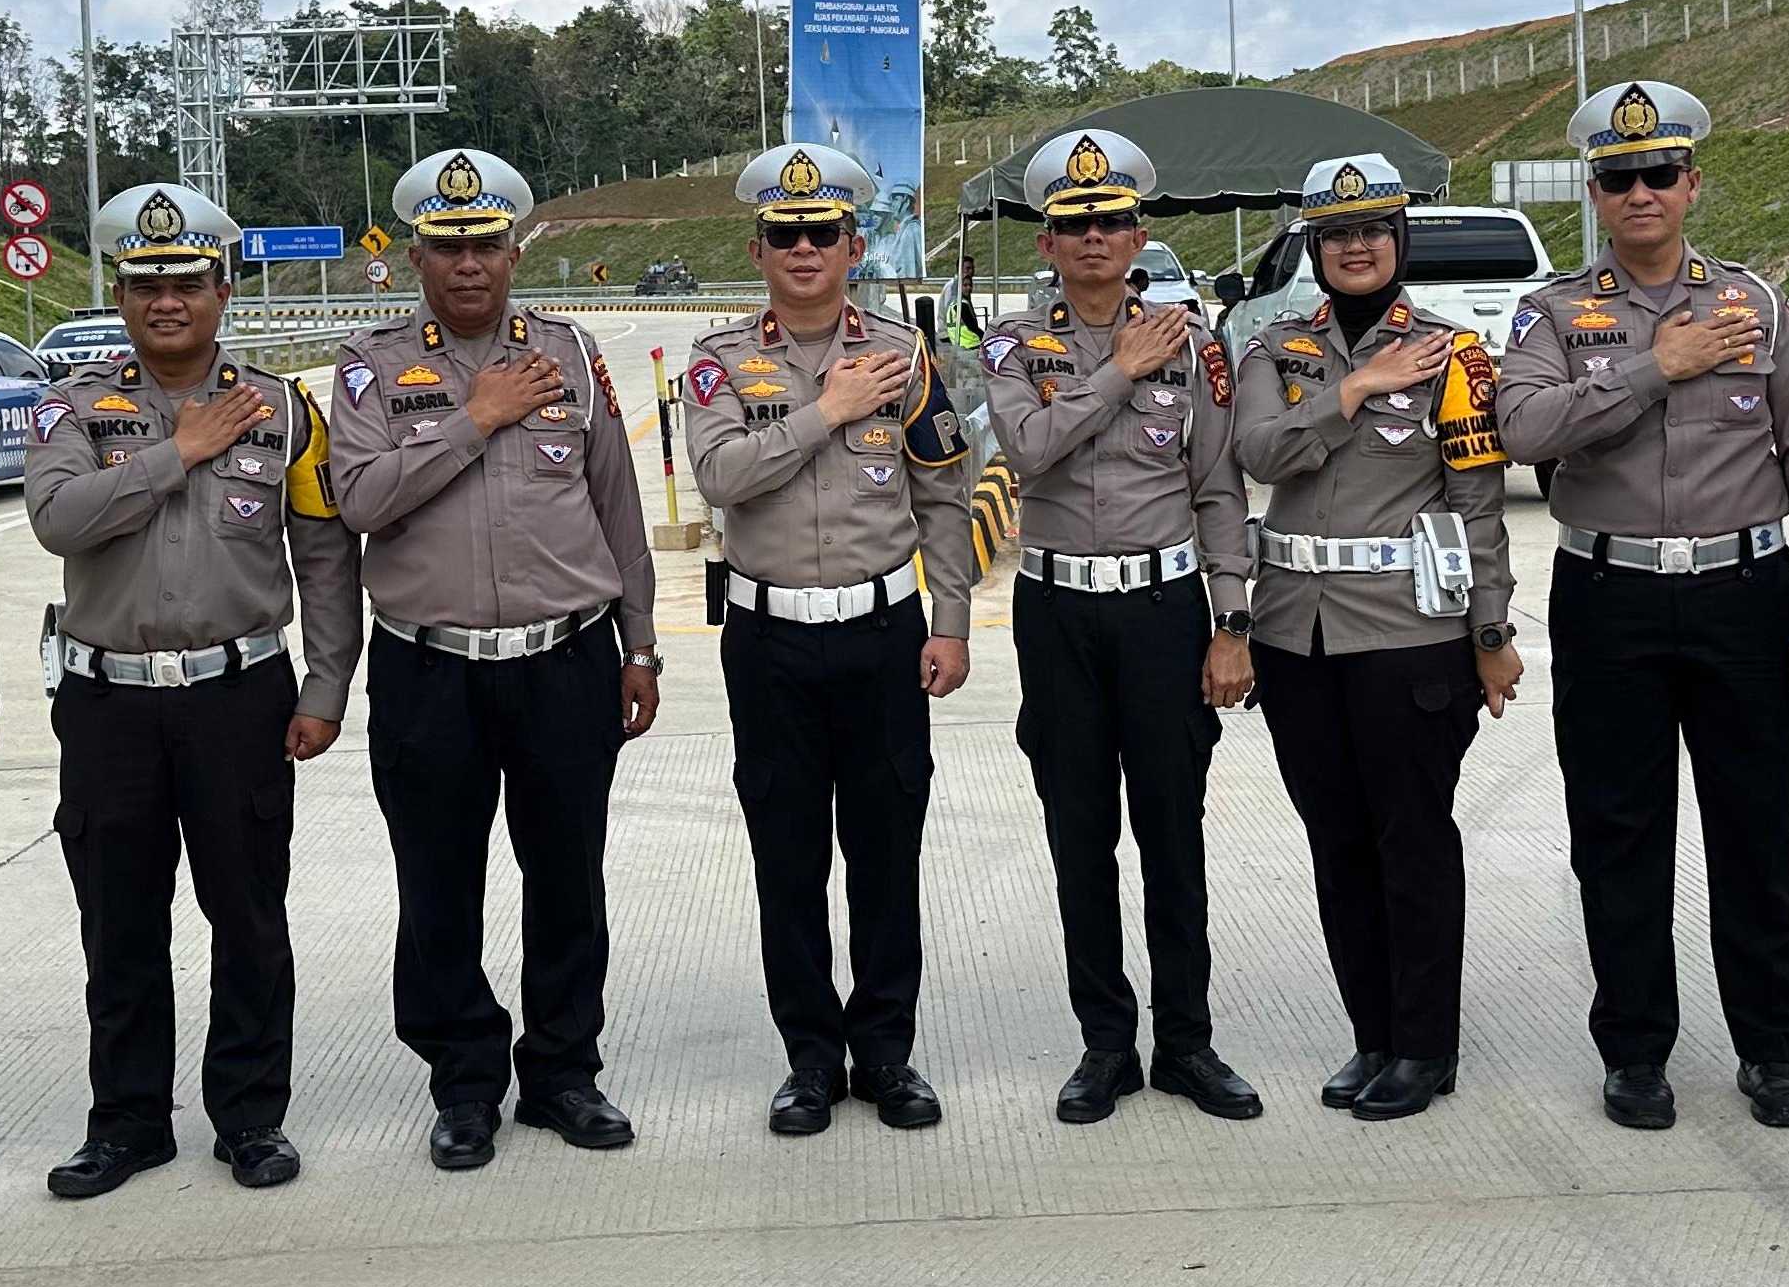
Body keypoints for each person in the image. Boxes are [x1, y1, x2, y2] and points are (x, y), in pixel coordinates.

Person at [1493, 81, 1789, 1133]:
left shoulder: (1759, 305)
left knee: (1755, 831)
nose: (1641, 191)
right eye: (1618, 177)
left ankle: (1772, 1051)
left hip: (1750, 595)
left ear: (1693, 183)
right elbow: (1525, 429)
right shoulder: (1554, 313)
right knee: (1617, 834)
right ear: (1596, 193)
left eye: (1660, 173)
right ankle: (1637, 1053)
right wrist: (1658, 367)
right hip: (1610, 595)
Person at [325, 147, 661, 1171]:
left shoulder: (569, 353)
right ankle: (465, 1081)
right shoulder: (372, 368)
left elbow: (617, 505)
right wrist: (474, 421)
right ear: (416, 256)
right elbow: (361, 502)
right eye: (447, 246)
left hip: (564, 661)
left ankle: (564, 1071)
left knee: (567, 876)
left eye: (485, 243)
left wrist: (638, 643)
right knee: (439, 883)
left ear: (514, 249)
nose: (468, 263)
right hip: (429, 669)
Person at [24, 183, 360, 1200]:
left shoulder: (284, 407)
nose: (165, 300)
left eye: (186, 281)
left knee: (249, 918)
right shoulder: (73, 404)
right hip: (110, 702)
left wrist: (329, 681)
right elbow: (59, 519)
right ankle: (127, 1124)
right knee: (119, 924)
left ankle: (251, 1117)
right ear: (119, 296)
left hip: (240, 697)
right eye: (143, 283)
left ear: (222, 289)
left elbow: (324, 553)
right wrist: (182, 451)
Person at [681, 143, 977, 1134]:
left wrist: (953, 622)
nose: (803, 249)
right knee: (789, 855)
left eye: (822, 234)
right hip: (768, 642)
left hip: (885, 632)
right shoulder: (719, 359)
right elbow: (721, 479)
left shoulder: (905, 353)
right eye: (784, 235)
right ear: (758, 249)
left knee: (888, 851)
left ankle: (887, 1055)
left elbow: (945, 492)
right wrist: (827, 412)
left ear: (854, 245)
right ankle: (811, 1060)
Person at [1230, 156, 1520, 1122]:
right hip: (1294, 634)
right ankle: (1372, 1035)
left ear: (1400, 240)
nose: (1358, 245)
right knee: (1339, 842)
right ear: (1314, 247)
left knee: (1415, 841)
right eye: (1338, 232)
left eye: (1376, 230)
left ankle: (1425, 1045)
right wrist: (1356, 391)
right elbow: (1259, 453)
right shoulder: (1276, 348)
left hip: (1410, 636)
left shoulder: (1455, 356)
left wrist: (1492, 629)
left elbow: (1478, 503)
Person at [981, 127, 1262, 1125]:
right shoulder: (1015, 348)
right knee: (1080, 832)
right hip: (1057, 610)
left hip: (1162, 611)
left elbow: (1220, 492)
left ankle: (1187, 1040)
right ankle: (1107, 1044)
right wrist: (1114, 372)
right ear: (1048, 244)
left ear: (1138, 234)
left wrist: (1230, 621)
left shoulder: (1197, 349)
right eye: (1072, 224)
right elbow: (1030, 449)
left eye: (1108, 221)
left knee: (1172, 833)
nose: (1093, 237)